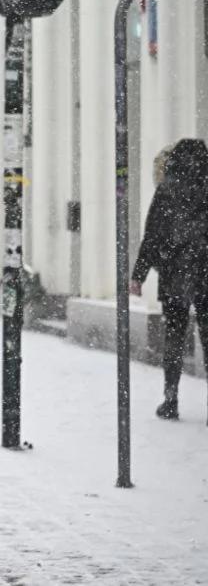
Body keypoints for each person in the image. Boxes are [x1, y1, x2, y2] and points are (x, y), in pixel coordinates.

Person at [130, 138, 208, 421]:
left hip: (175, 275)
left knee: (174, 337)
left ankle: (170, 399)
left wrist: (138, 275)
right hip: (206, 274)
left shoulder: (167, 189)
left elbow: (152, 235)